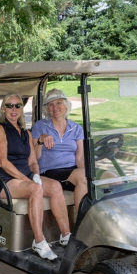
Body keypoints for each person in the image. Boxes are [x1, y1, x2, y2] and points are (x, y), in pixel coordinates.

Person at [0, 94, 71, 261]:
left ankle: (66, 235)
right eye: (9, 106)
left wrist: (36, 175)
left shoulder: (25, 132)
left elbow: (32, 161)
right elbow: (3, 162)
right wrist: (29, 180)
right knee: (35, 189)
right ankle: (39, 241)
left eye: (17, 105)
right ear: (4, 108)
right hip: (3, 180)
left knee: (55, 186)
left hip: (23, 177)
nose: (14, 109)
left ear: (21, 108)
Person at [31, 88, 87, 216]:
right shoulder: (40, 126)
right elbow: (34, 157)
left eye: (59, 103)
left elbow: (80, 158)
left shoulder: (76, 128)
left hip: (73, 171)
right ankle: (82, 225)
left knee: (109, 178)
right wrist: (40, 141)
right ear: (47, 108)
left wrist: (88, 175)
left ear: (66, 105)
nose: (55, 107)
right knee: (83, 177)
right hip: (51, 171)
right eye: (51, 104)